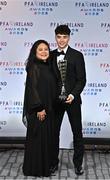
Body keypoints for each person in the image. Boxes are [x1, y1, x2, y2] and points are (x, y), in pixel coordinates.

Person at [51, 25, 86, 175]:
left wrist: (72, 95)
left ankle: (78, 164)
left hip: (73, 101)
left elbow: (81, 80)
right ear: (55, 37)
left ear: (69, 38)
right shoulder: (51, 55)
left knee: (77, 133)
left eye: (64, 37)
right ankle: (53, 163)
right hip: (55, 102)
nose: (61, 40)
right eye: (59, 37)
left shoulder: (77, 55)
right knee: (53, 133)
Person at [22, 40, 57, 177]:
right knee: (38, 141)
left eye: (46, 49)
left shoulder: (47, 66)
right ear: (35, 52)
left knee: (44, 140)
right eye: (40, 49)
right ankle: (35, 169)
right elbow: (32, 90)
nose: (44, 52)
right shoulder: (34, 67)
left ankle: (44, 167)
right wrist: (39, 108)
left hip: (48, 109)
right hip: (39, 111)